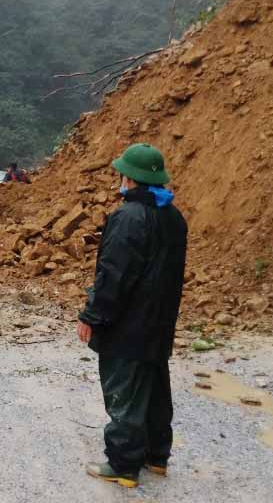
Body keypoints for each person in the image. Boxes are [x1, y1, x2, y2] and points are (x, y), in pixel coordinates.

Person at [77, 143, 188, 488]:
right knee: (154, 387)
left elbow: (114, 277)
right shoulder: (173, 217)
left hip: (129, 325)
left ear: (130, 178)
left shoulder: (127, 217)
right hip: (159, 323)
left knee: (124, 390)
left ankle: (123, 465)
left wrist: (92, 316)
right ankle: (156, 456)